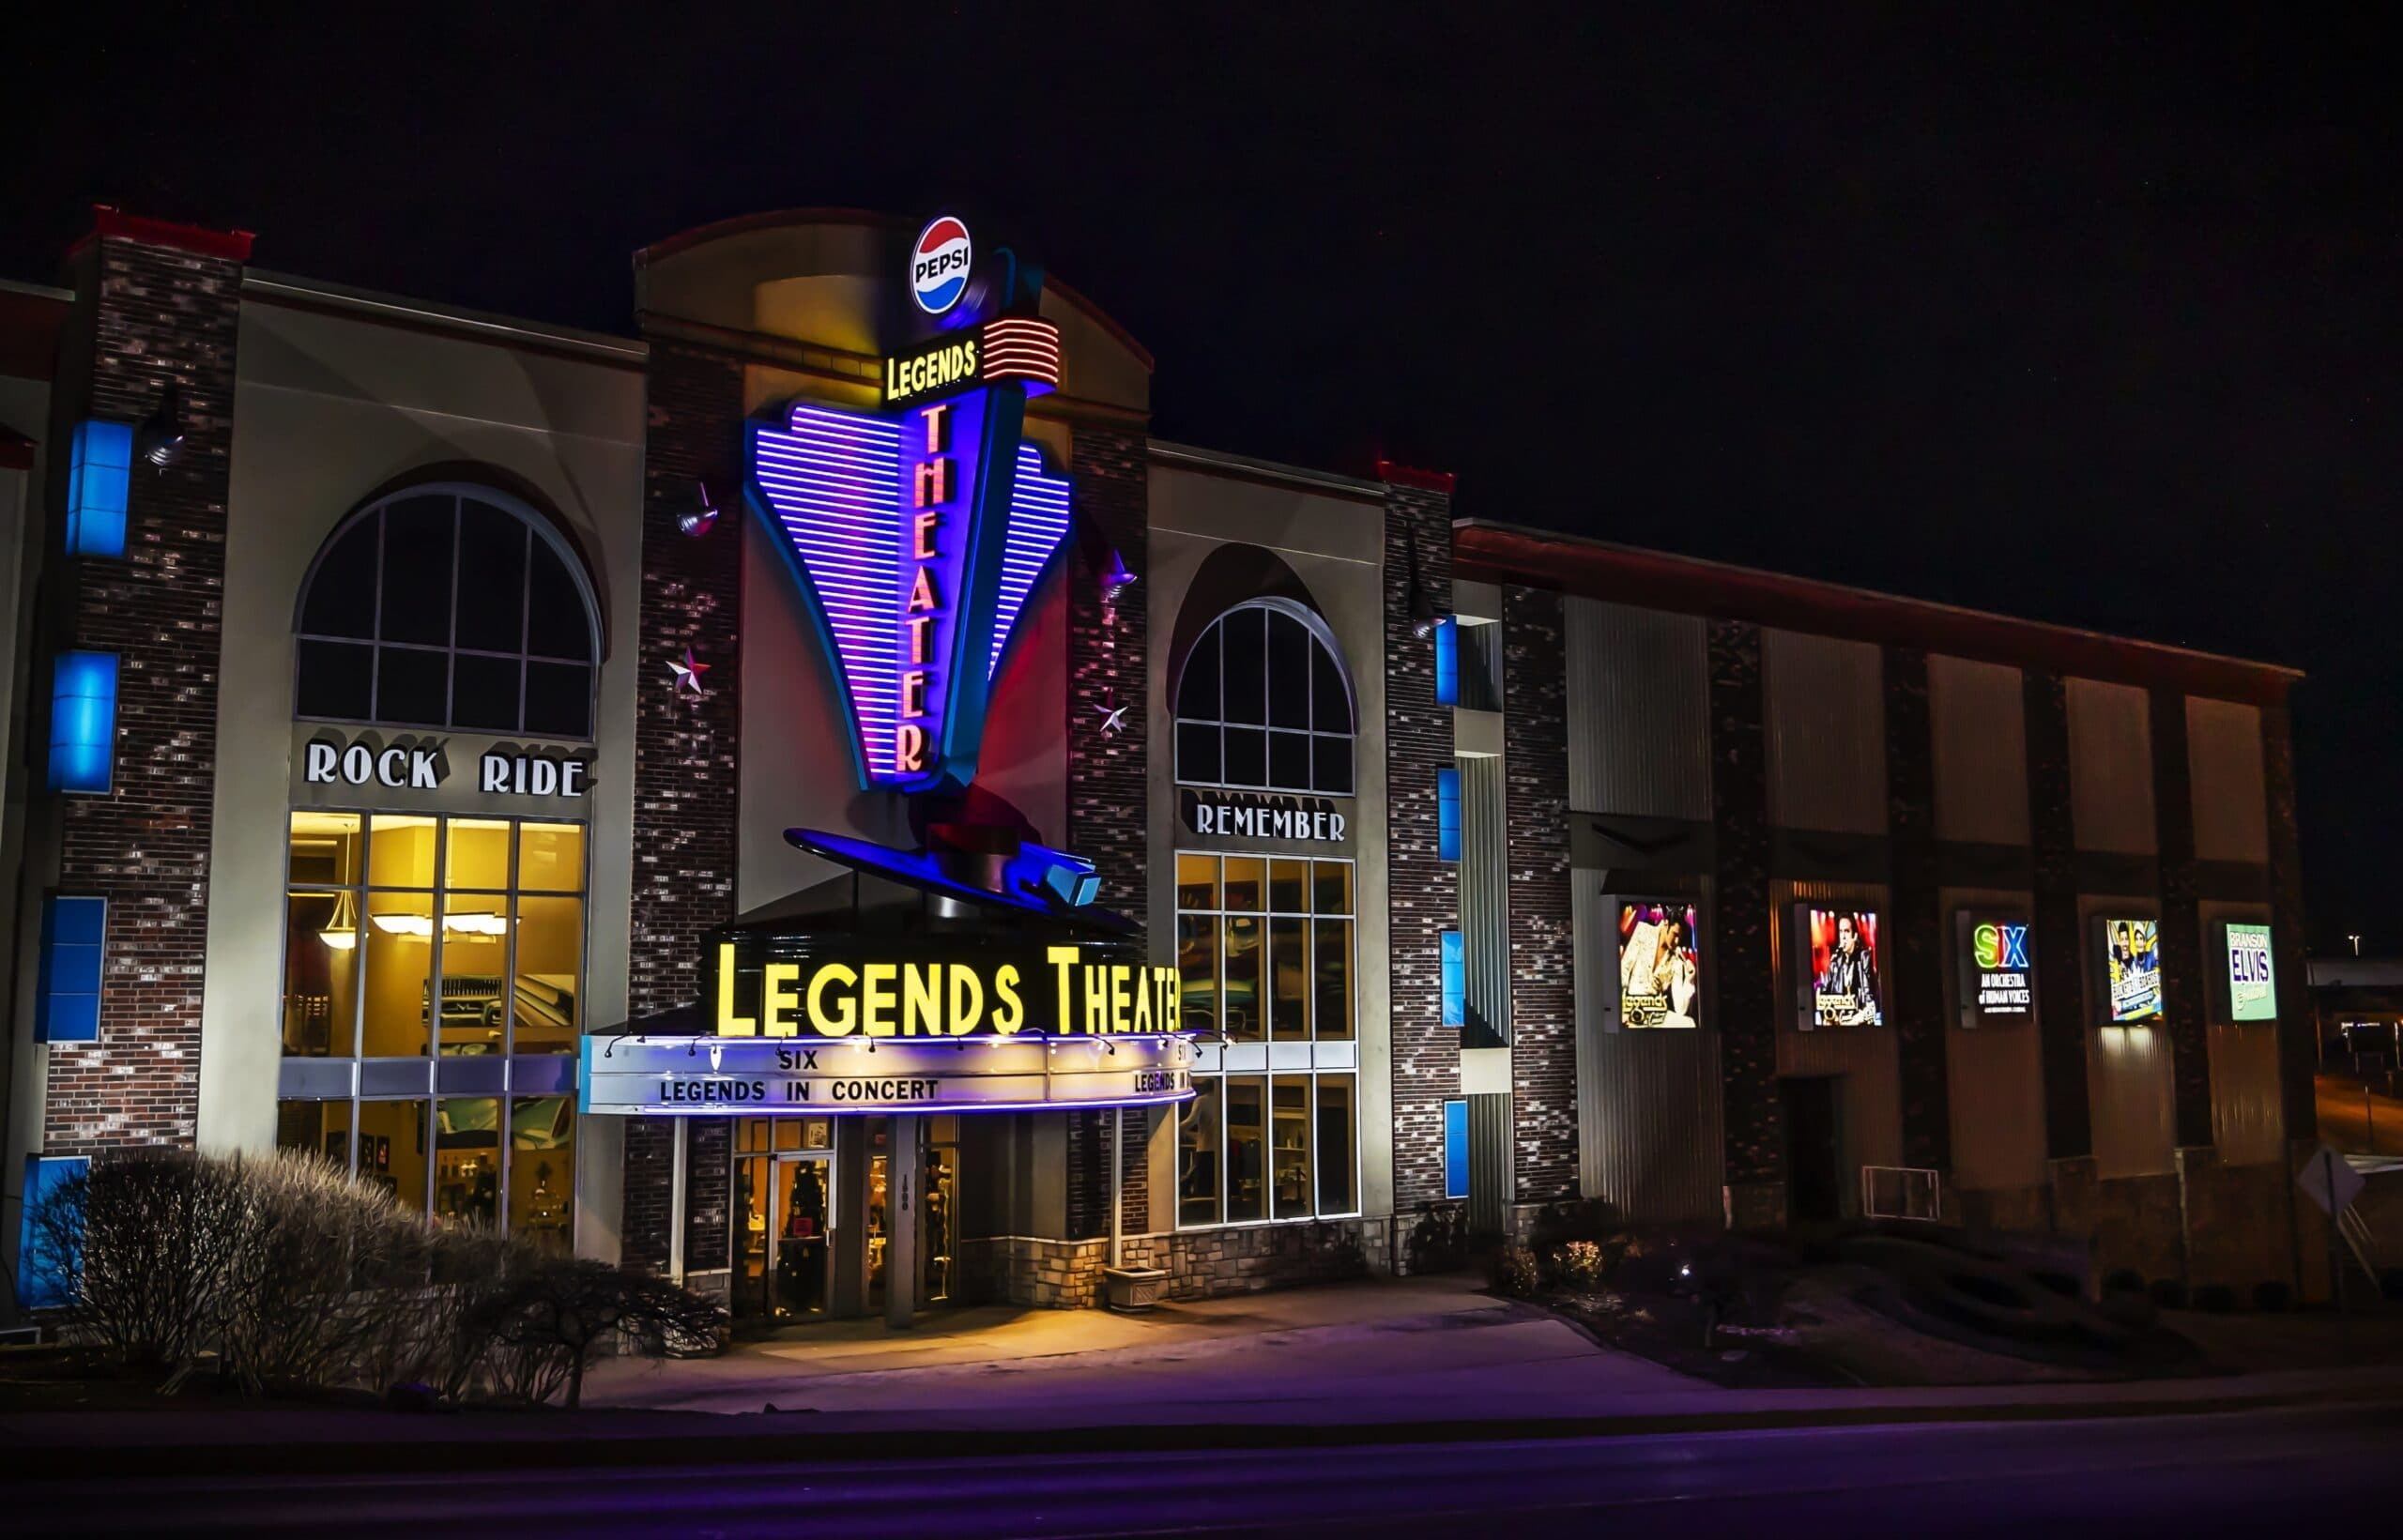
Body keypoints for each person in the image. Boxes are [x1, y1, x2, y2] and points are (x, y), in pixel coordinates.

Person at [1816, 912, 1880, 1026]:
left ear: (1854, 936)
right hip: (1839, 1022)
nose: (1843, 937)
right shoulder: (1835, 961)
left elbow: (1870, 1002)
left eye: (1847, 931)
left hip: (1858, 1021)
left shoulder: (1863, 957)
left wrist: (1853, 1021)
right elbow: (1823, 995)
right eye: (1841, 932)